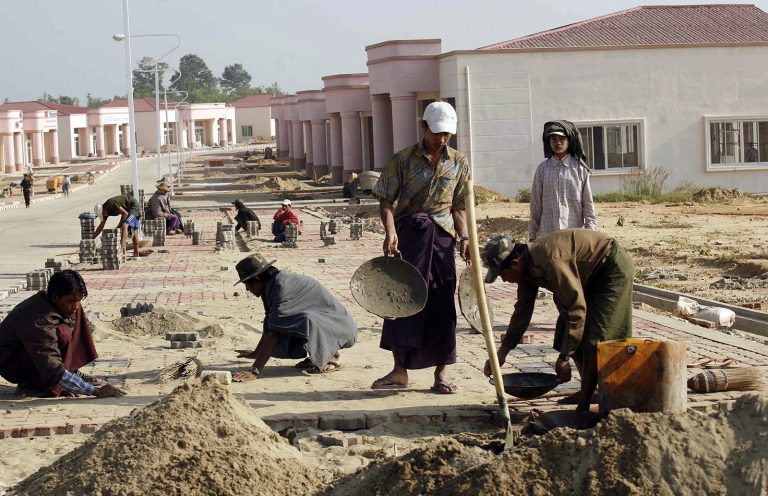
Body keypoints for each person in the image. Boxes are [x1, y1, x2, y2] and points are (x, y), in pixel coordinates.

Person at [370, 101, 470, 394]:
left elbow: (460, 208)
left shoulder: (459, 162)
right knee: (402, 302)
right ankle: (399, 370)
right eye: (437, 133)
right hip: (409, 238)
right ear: (424, 127)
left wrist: (464, 239)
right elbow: (386, 201)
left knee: (441, 304)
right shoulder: (402, 160)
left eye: (447, 135)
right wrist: (390, 232)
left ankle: (440, 374)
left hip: (442, 241)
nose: (442, 139)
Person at [480, 229, 634, 411]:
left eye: (502, 274)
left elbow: (576, 311)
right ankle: (590, 388)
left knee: (595, 338)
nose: (504, 280)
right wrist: (502, 352)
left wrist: (564, 357)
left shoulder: (550, 261)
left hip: (610, 268)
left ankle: (583, 407)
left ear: (515, 263)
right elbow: (522, 311)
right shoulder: (526, 269)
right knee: (565, 331)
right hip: (588, 275)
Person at [0, 270, 126, 398]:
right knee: (63, 333)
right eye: (70, 301)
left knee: (73, 316)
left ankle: (69, 372)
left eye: (78, 300)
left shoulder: (57, 303)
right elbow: (50, 365)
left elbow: (73, 308)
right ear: (55, 297)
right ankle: (33, 385)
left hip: (38, 355)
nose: (75, 306)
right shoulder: (39, 322)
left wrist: (68, 375)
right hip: (12, 364)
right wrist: (95, 391)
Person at [231, 254, 357, 381]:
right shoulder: (271, 284)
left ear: (257, 279)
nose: (247, 289)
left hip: (342, 331)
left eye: (247, 285)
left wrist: (255, 370)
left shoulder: (281, 287)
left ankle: (331, 356)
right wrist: (256, 353)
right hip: (328, 325)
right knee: (284, 320)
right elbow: (270, 323)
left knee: (300, 320)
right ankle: (318, 356)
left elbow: (275, 331)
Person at [529, 120, 597, 241]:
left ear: (569, 141)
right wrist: (532, 235)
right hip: (548, 236)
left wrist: (591, 235)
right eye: (553, 139)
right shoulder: (542, 170)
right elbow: (535, 206)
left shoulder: (580, 169)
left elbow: (588, 205)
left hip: (574, 237)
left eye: (562, 139)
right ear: (548, 142)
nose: (558, 143)